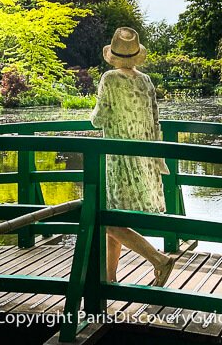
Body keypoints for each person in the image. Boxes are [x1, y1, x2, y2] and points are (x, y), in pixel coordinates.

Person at [91, 27, 176, 287]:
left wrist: (92, 114)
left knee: (108, 222)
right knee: (113, 217)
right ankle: (110, 279)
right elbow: (155, 119)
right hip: (143, 157)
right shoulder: (146, 81)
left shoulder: (110, 78)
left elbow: (99, 119)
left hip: (118, 159)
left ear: (113, 55)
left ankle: (158, 259)